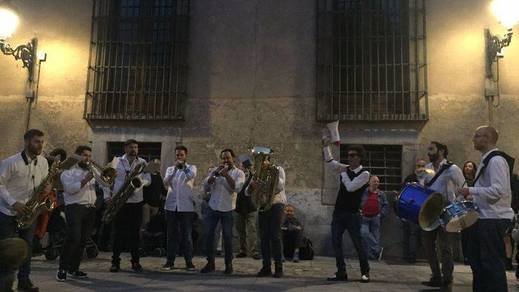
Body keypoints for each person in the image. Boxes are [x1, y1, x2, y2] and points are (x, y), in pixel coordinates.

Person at [459, 125, 514, 292]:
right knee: (479, 265)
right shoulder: (487, 159)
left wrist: (471, 190)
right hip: (485, 218)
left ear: (487, 138)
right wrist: (472, 196)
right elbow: (489, 191)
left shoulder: (496, 160)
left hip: (494, 219)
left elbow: (499, 191)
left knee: (492, 267)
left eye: (477, 136)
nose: (473, 139)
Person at [0, 129, 51, 292]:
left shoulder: (43, 162)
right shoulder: (10, 162)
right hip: (7, 211)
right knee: (6, 250)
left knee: (27, 248)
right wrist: (13, 203)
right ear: (27, 142)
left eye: (42, 142)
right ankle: (4, 284)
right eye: (37, 141)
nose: (40, 145)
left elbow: (45, 181)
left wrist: (48, 187)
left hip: (30, 212)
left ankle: (24, 281)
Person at [323, 142, 370, 283]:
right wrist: (326, 146)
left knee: (358, 243)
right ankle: (341, 272)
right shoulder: (345, 169)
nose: (349, 158)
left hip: (353, 214)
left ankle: (365, 272)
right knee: (336, 242)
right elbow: (330, 162)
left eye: (352, 155)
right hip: (339, 213)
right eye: (348, 155)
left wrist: (343, 172)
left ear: (359, 157)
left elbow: (350, 187)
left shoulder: (365, 174)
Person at [421, 141, 465, 290]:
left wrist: (454, 206)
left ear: (441, 151)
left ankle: (447, 278)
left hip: (446, 209)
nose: (428, 152)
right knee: (427, 244)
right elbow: (424, 185)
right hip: (430, 210)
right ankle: (436, 276)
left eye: (431, 149)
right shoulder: (427, 168)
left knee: (445, 246)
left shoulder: (452, 169)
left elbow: (463, 188)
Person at [105, 139, 151, 273]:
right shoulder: (116, 161)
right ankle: (115, 262)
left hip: (136, 202)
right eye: (131, 147)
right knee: (118, 233)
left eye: (136, 147)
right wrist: (108, 196)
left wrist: (139, 183)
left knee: (135, 234)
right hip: (120, 202)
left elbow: (148, 179)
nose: (134, 150)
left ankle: (135, 262)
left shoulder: (142, 162)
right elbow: (107, 180)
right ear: (125, 148)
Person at [56, 146, 97, 281]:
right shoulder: (68, 172)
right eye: (85, 155)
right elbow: (70, 189)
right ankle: (62, 268)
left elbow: (106, 185)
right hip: (75, 207)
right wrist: (85, 180)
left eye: (89, 156)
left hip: (90, 208)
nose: (88, 158)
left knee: (83, 240)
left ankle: (74, 268)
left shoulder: (91, 170)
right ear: (77, 156)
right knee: (73, 238)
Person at [201, 149, 245, 274]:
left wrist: (226, 175)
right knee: (209, 235)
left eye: (228, 158)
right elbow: (205, 186)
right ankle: (210, 263)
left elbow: (236, 188)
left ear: (233, 158)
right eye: (223, 158)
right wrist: (213, 175)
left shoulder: (239, 173)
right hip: (213, 207)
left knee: (227, 237)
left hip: (228, 209)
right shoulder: (214, 170)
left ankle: (228, 264)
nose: (225, 160)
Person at [247, 148, 287, 278]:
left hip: (276, 204)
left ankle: (279, 268)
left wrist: (267, 178)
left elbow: (280, 186)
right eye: (259, 160)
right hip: (263, 206)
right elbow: (247, 192)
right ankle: (266, 267)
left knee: (275, 236)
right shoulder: (256, 174)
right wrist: (252, 185)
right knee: (263, 238)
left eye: (263, 159)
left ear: (268, 160)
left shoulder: (278, 169)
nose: (261, 163)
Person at [162, 145, 197, 271]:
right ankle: (169, 262)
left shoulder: (192, 167)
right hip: (171, 206)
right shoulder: (170, 169)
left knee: (186, 236)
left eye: (181, 155)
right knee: (171, 235)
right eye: (177, 155)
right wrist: (175, 170)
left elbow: (190, 177)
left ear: (185, 156)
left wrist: (183, 168)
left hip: (186, 207)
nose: (179, 157)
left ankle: (189, 262)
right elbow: (165, 183)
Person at [400, 158, 427, 263]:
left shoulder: (429, 179)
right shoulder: (410, 178)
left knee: (423, 236)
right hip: (412, 211)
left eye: (422, 166)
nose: (420, 169)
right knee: (412, 234)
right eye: (418, 166)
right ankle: (411, 256)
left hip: (425, 211)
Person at [234, 158, 260, 260]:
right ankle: (243, 250)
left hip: (251, 206)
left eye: (244, 166)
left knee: (252, 230)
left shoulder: (254, 176)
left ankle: (254, 251)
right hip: (238, 206)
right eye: (242, 166)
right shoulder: (237, 176)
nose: (243, 168)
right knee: (240, 230)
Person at [360, 176, 389, 260]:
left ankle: (372, 256)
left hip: (375, 218)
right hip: (364, 217)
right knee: (364, 233)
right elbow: (357, 202)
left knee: (375, 236)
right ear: (369, 182)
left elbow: (385, 205)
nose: (376, 183)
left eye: (377, 181)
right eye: (374, 181)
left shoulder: (381, 194)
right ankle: (378, 249)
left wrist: (381, 214)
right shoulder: (364, 192)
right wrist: (359, 211)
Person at [461, 161, 477, 265]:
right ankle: (465, 256)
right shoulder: (462, 181)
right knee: (465, 234)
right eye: (466, 166)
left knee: (472, 234)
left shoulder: (476, 181)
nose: (467, 168)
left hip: (474, 210)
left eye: (470, 166)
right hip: (463, 209)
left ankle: (471, 256)